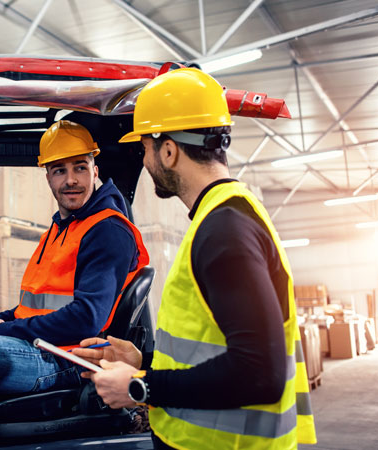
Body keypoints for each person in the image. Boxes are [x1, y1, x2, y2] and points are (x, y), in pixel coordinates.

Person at [72, 68, 317, 449]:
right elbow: (215, 346)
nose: (145, 160)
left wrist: (140, 386)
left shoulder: (225, 231)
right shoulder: (224, 217)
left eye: (146, 149)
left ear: (168, 150)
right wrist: (144, 360)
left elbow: (259, 374)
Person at [0, 120, 149, 450]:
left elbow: (87, 318)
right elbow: (40, 303)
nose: (71, 179)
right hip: (47, 346)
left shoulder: (106, 231)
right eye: (59, 170)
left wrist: (3, 332)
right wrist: (0, 319)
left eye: (80, 167)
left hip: (67, 360)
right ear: (47, 175)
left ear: (94, 168)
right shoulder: (64, 227)